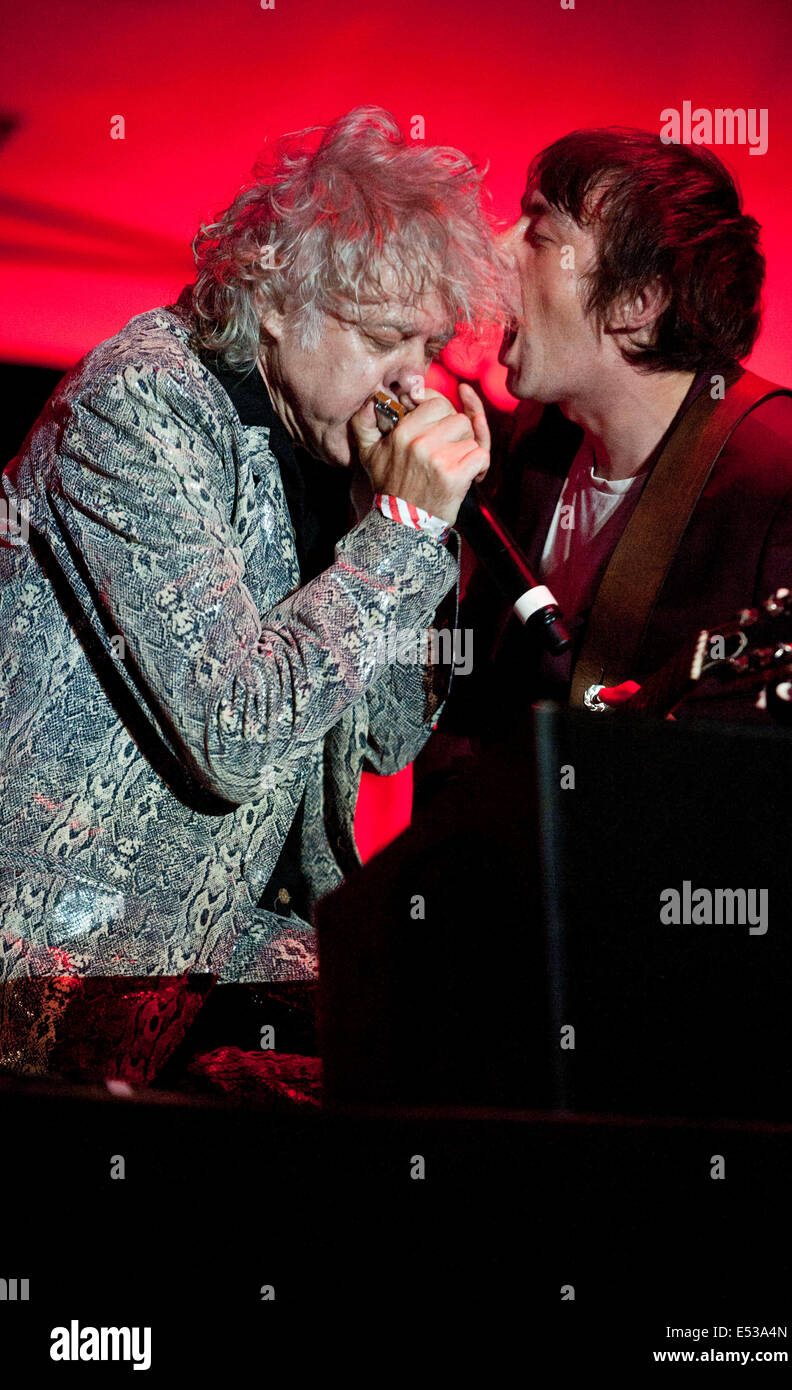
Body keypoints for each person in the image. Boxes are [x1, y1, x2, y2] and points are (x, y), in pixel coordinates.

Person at [0, 106, 506, 1080]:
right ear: (276, 295)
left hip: (199, 945)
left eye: (429, 345)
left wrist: (408, 531)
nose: (412, 382)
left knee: (463, 1021)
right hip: (47, 962)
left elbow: (384, 736)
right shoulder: (141, 403)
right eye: (384, 339)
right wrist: (397, 538)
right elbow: (235, 732)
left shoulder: (325, 445)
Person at [420, 126, 792, 775]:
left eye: (540, 235)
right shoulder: (541, 436)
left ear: (638, 304)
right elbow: (471, 708)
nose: (499, 251)